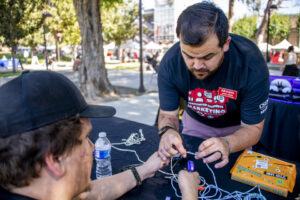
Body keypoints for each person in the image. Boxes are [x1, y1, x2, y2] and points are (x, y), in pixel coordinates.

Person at [0, 70, 197, 200]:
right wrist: (190, 193)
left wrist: (145, 169)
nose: (93, 147)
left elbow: (87, 196)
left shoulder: (34, 188)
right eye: (85, 139)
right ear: (55, 160)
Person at [157, 2, 269, 169]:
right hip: (194, 125)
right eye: (188, 55)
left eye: (207, 57)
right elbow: (167, 115)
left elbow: (253, 129)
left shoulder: (251, 63)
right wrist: (168, 132)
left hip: (238, 130)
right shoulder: (170, 63)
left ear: (226, 43)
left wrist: (228, 143)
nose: (196, 65)